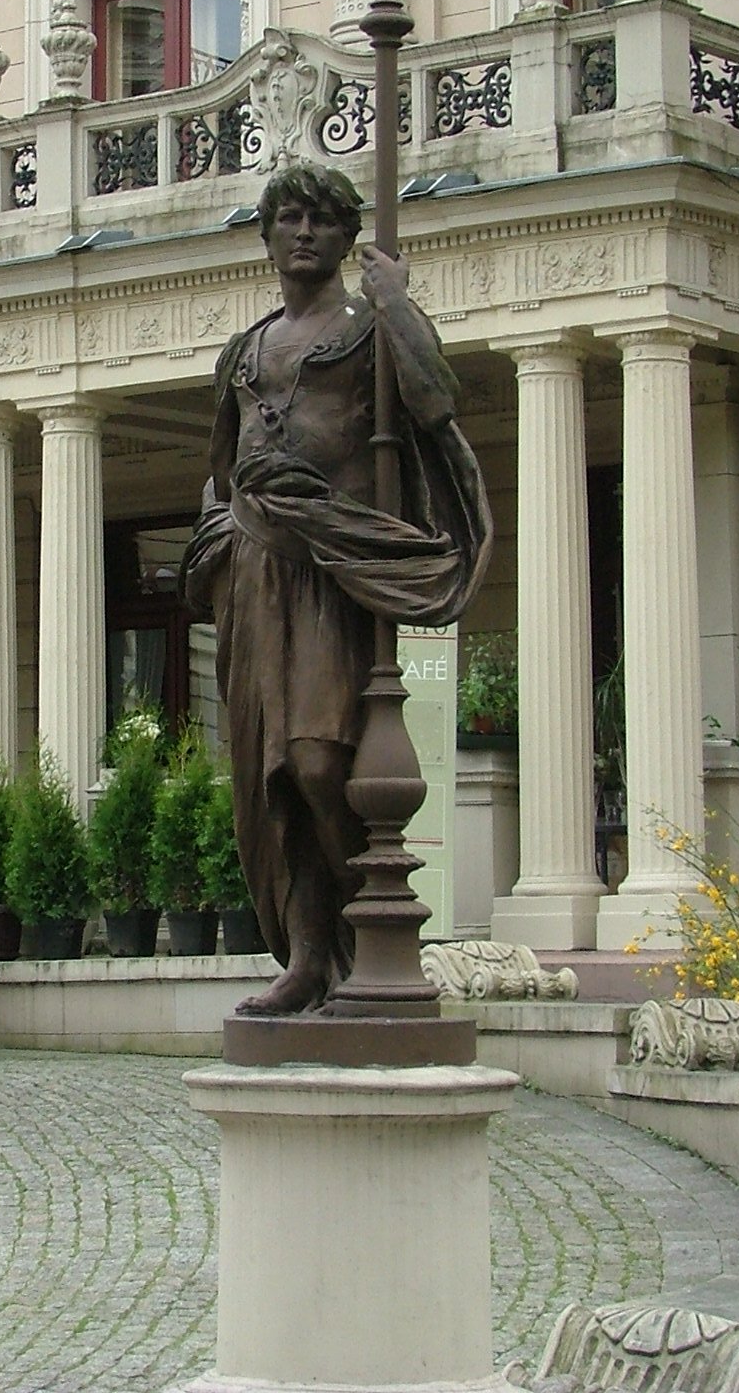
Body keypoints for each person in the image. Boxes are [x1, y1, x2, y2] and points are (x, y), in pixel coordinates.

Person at [180, 164, 491, 1015]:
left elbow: (436, 402)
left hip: (329, 568)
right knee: (270, 775)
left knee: (318, 760)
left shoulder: (366, 329)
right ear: (268, 236)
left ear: (349, 237)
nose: (304, 232)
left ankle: (371, 936)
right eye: (289, 217)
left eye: (322, 218)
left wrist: (396, 304)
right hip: (254, 572)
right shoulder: (247, 348)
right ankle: (309, 956)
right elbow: (219, 465)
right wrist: (219, 535)